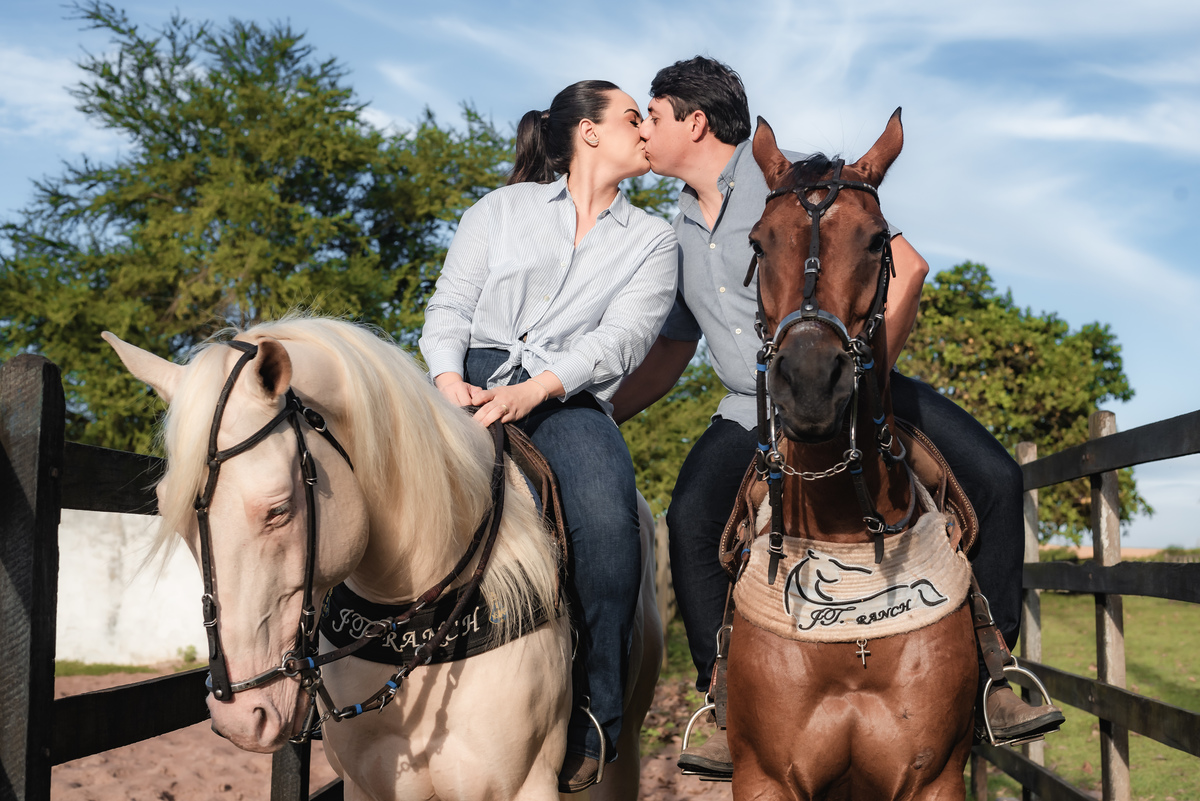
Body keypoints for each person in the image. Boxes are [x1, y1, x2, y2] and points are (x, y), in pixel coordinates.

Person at [611, 56, 1062, 777]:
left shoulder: (787, 183)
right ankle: (721, 701)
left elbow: (905, 267)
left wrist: (868, 376)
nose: (643, 131)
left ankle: (996, 677)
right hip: (748, 408)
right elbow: (672, 349)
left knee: (999, 480)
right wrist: (603, 412)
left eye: (653, 116)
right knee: (691, 515)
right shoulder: (679, 229)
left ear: (694, 122)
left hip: (856, 383)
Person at [419, 79, 677, 792]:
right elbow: (448, 309)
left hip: (564, 396)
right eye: (633, 118)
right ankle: (319, 669)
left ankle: (595, 714)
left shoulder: (654, 241)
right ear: (589, 132)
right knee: (362, 474)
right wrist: (447, 380)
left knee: (607, 516)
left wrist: (534, 389)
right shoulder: (499, 210)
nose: (646, 130)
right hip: (463, 380)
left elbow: (622, 343)